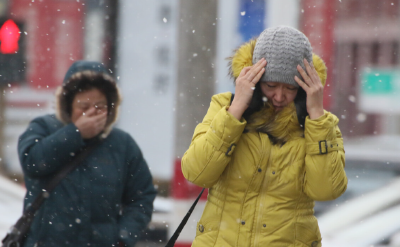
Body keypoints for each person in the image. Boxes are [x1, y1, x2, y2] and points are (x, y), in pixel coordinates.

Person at [181, 26, 347, 247]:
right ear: (256, 81)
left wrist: (316, 116)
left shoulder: (321, 126)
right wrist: (236, 111)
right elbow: (196, 172)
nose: (279, 96)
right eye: (270, 85)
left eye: (290, 88)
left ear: (305, 87)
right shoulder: (225, 108)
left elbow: (326, 190)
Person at [18, 61, 157, 247]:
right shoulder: (43, 128)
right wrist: (75, 133)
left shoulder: (122, 144)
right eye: (83, 106)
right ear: (67, 106)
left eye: (100, 106)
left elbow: (142, 197)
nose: (92, 113)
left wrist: (122, 238)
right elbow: (32, 162)